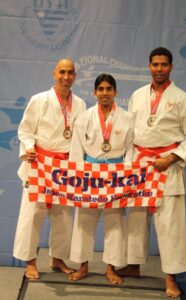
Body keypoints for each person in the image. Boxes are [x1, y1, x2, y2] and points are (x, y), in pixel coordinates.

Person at [117, 47, 186, 298]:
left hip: (168, 167)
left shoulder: (183, 98)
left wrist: (171, 158)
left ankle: (171, 277)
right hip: (141, 164)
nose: (159, 69)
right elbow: (130, 133)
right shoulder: (137, 95)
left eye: (164, 64)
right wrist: (129, 166)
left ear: (171, 67)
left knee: (170, 225)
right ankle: (133, 265)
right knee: (137, 220)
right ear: (149, 66)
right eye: (155, 64)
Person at [13, 58, 86, 279]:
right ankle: (30, 261)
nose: (66, 77)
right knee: (32, 214)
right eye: (62, 72)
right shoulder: (39, 100)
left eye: (70, 73)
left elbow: (81, 138)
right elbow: (25, 130)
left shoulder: (80, 104)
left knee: (63, 216)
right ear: (54, 73)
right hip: (40, 164)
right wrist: (29, 148)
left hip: (65, 167)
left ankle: (58, 259)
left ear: (75, 75)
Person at [68, 74, 134, 284]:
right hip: (90, 173)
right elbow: (76, 148)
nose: (104, 93)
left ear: (115, 92)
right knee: (84, 221)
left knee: (115, 222)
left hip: (116, 173)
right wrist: (78, 176)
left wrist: (127, 176)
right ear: (95, 92)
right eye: (101, 89)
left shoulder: (127, 118)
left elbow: (131, 149)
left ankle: (111, 268)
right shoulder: (85, 117)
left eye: (109, 89)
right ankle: (82, 265)